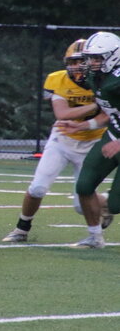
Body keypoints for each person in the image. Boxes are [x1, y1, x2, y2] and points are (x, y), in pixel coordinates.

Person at [3, 39, 108, 242]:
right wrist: (94, 106)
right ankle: (21, 229)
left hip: (92, 143)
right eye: (72, 61)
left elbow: (107, 117)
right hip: (62, 139)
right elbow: (62, 113)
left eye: (80, 61)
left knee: (81, 204)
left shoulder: (105, 81)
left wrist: (90, 118)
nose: (76, 66)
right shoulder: (57, 79)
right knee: (37, 188)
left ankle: (102, 209)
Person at [57, 31, 120, 249]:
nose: (91, 63)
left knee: (115, 204)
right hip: (112, 135)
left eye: (97, 58)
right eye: (90, 58)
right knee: (83, 186)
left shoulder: (117, 81)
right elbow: (108, 112)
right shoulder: (96, 77)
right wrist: (82, 125)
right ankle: (95, 237)